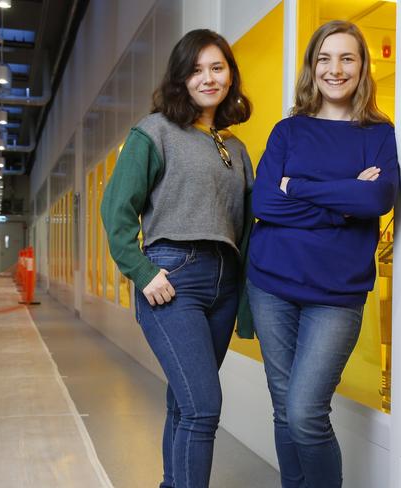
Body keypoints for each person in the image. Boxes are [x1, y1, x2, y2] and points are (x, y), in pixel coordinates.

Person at [246, 20, 399, 487]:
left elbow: (376, 201)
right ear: (312, 67)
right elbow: (265, 202)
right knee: (281, 404)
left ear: (362, 67)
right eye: (325, 58)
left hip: (337, 294)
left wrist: (302, 189)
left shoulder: (378, 133)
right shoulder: (288, 131)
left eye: (347, 58)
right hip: (271, 283)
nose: (335, 69)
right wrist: (342, 201)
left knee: (305, 411)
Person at [100, 29, 253, 488]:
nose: (207, 78)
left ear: (230, 75)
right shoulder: (155, 132)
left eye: (217, 67)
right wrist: (143, 272)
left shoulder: (236, 148)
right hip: (174, 279)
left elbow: (244, 229)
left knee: (184, 404)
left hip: (224, 283)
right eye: (196, 69)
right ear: (180, 78)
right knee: (204, 407)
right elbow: (116, 210)